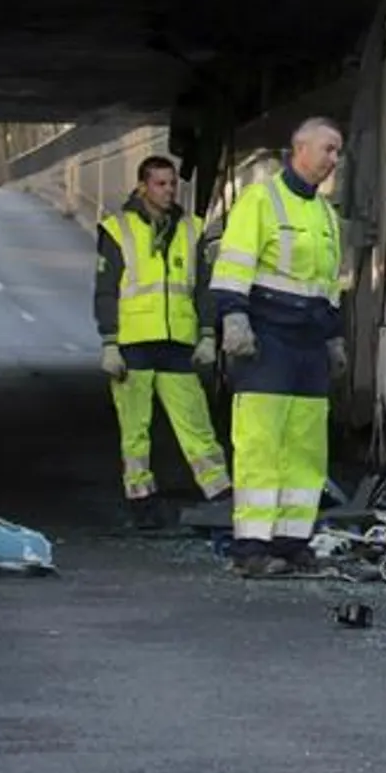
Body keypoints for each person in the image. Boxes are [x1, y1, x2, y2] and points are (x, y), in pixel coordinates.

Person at [210, 118, 346, 577]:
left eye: (337, 151)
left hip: (309, 342)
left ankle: (291, 542)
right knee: (260, 444)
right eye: (328, 149)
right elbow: (233, 264)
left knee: (307, 448)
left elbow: (329, 285)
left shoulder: (326, 214)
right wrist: (233, 316)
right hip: (266, 337)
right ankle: (251, 548)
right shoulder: (261, 200)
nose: (334, 160)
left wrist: (334, 338)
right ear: (299, 148)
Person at [94, 155, 231, 530]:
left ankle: (220, 495)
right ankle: (142, 502)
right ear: (142, 186)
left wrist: (207, 334)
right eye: (160, 184)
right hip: (133, 343)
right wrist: (109, 342)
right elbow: (106, 291)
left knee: (197, 424)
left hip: (178, 343)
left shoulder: (192, 228)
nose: (169, 190)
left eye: (172, 184)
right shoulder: (116, 229)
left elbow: (205, 288)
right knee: (135, 430)